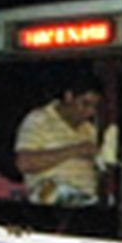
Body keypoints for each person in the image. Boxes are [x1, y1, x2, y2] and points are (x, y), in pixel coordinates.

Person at [14, 71, 103, 203]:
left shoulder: (89, 129)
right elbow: (24, 163)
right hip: (51, 204)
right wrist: (75, 150)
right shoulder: (39, 119)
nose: (90, 112)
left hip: (86, 201)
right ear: (69, 97)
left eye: (94, 106)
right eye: (85, 104)